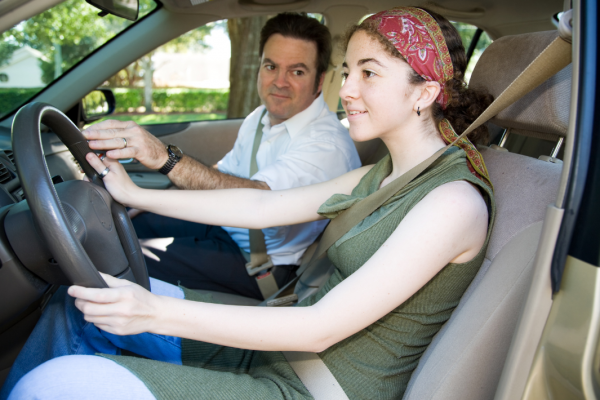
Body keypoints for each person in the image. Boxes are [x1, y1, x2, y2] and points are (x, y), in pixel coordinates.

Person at [2, 7, 495, 400]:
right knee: (79, 306)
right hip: (281, 349)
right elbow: (263, 208)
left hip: (309, 385)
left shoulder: (453, 201)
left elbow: (320, 328)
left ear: (424, 93)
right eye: (347, 72)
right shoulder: (382, 173)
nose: (345, 90)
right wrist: (133, 193)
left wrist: (151, 311)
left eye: (369, 73)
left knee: (50, 387)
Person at [83, 13, 362, 300]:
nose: (279, 82)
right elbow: (223, 171)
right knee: (122, 228)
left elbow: (261, 201)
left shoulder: (327, 146)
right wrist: (155, 201)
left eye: (297, 71)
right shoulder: (260, 118)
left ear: (319, 81)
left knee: (119, 259)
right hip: (222, 224)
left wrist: (163, 160)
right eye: (271, 66)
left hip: (260, 264)